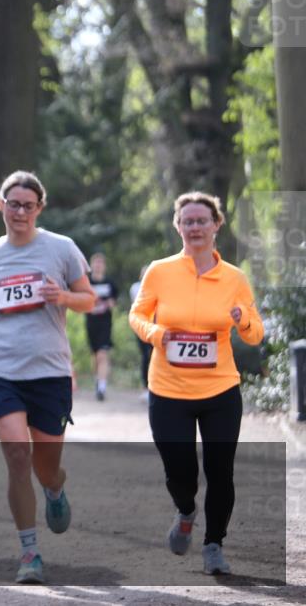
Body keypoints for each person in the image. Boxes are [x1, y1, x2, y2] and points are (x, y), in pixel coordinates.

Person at [0, 171, 95, 584]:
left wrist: (63, 296)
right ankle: (29, 551)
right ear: (1, 205)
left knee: (46, 468)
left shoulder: (61, 249)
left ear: (39, 209)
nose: (19, 212)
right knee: (17, 457)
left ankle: (54, 488)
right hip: (0, 371)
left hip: (49, 371)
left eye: (27, 205)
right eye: (12, 204)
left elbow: (89, 299)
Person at [129, 192, 263, 576]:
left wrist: (243, 321)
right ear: (178, 226)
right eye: (187, 221)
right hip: (168, 389)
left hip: (220, 389)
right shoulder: (159, 271)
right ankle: (186, 510)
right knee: (180, 472)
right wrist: (157, 334)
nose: (195, 227)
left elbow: (256, 335)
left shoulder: (235, 278)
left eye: (202, 220)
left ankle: (214, 544)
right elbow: (137, 315)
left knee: (221, 471)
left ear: (217, 224)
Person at [85, 253, 118, 401]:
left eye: (100, 263)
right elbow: (81, 300)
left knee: (102, 355)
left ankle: (102, 388)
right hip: (91, 324)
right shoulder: (86, 282)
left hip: (105, 324)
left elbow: (114, 301)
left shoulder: (110, 283)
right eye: (95, 263)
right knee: (95, 357)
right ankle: (98, 380)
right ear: (91, 265)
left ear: (104, 266)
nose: (98, 266)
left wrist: (107, 304)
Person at [130, 264, 154, 401]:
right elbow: (138, 307)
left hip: (155, 326)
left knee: (154, 356)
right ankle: (146, 387)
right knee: (145, 356)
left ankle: (155, 386)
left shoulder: (158, 286)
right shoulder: (135, 287)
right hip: (142, 327)